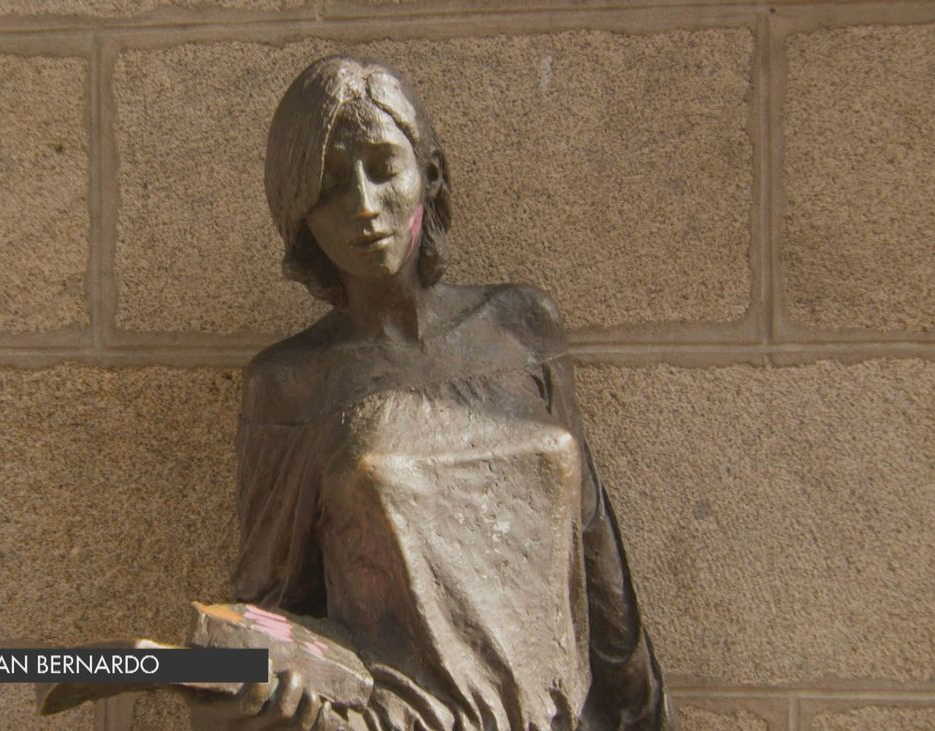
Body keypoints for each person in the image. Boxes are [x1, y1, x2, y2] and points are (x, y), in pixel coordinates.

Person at [192, 55, 677, 731]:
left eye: (383, 167)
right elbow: (262, 609)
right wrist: (237, 703)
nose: (364, 206)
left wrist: (642, 712)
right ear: (301, 218)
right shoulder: (290, 384)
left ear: (431, 174)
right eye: (330, 187)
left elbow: (596, 552)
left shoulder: (523, 326)